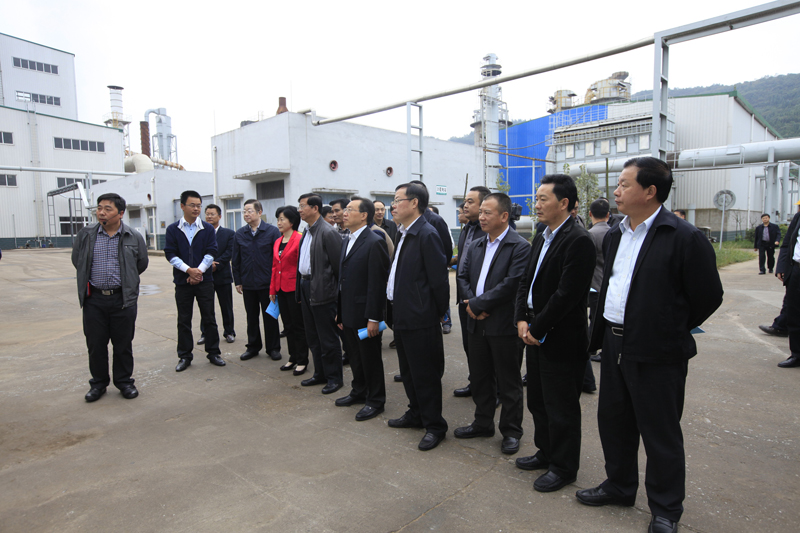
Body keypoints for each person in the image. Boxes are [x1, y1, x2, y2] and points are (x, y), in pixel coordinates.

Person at [575, 157, 723, 533]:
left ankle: (666, 510)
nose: (616, 191)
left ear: (650, 191)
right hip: (613, 343)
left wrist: (667, 327)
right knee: (614, 422)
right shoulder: (616, 233)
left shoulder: (683, 236)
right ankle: (620, 485)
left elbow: (708, 296)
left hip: (658, 351)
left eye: (624, 184)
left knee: (660, 433)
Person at [514, 174, 596, 493]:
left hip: (560, 337)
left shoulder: (578, 240)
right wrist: (521, 319)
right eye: (536, 198)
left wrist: (537, 327)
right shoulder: (542, 235)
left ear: (564, 203)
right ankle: (546, 452)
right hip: (534, 331)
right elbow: (526, 280)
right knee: (538, 400)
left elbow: (567, 295)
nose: (536, 204)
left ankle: (563, 467)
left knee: (561, 406)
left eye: (542, 199)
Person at [455, 192, 529, 455]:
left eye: (487, 213)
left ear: (504, 216)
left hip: (503, 325)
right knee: (480, 377)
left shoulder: (520, 246)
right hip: (476, 323)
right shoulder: (476, 244)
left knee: (508, 381)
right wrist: (473, 304)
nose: (482, 217)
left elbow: (512, 284)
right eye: (481, 212)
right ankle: (482, 423)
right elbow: (462, 276)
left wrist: (479, 305)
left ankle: (511, 431)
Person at [387, 183, 450, 451]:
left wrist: (432, 314)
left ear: (414, 203)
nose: (393, 205)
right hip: (402, 315)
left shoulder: (427, 234)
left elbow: (439, 282)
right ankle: (416, 413)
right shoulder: (403, 232)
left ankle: (435, 425)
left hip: (420, 318)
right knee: (409, 372)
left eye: (397, 200)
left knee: (425, 375)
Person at [72, 193, 148, 401]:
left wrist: (126, 281)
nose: (101, 213)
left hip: (122, 299)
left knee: (123, 344)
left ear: (120, 213)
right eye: (99, 208)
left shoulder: (133, 236)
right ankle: (98, 384)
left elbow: (141, 263)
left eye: (107, 209)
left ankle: (124, 382)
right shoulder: (86, 235)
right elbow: (77, 260)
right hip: (94, 299)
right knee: (96, 344)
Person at [334, 197, 390, 420]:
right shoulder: (347, 239)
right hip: (348, 311)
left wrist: (374, 318)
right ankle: (359, 391)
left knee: (370, 358)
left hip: (366, 313)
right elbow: (343, 280)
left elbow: (377, 283)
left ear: (364, 215)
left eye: (350, 210)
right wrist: (340, 311)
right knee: (355, 356)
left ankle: (375, 400)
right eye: (345, 209)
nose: (344, 213)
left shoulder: (374, 241)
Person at [165, 190, 225, 372]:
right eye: (192, 205)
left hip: (204, 281)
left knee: (209, 317)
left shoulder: (207, 229)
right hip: (182, 282)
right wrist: (188, 270)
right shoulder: (173, 229)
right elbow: (170, 254)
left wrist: (198, 272)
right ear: (182, 206)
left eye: (199, 205)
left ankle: (213, 353)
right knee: (184, 320)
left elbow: (211, 251)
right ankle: (184, 356)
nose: (196, 209)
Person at [296, 193, 345, 394]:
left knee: (327, 338)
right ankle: (320, 373)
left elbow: (339, 269)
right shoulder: (307, 231)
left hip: (324, 291)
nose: (299, 210)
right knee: (313, 336)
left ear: (315, 208)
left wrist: (337, 297)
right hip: (306, 286)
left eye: (303, 206)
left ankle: (334, 378)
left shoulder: (327, 232)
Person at [232, 199, 282, 362]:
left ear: (259, 212)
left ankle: (273, 348)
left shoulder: (272, 232)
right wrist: (238, 280)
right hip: (248, 283)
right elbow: (236, 259)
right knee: (251, 317)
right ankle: (253, 347)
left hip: (267, 284)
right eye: (244, 211)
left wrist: (276, 283)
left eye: (249, 211)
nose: (246, 214)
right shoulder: (240, 234)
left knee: (270, 317)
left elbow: (278, 260)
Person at [453, 186, 489, 398]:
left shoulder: (489, 231)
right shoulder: (466, 228)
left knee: (486, 349)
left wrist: (478, 301)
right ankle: (475, 382)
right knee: (470, 346)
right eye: (465, 201)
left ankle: (493, 389)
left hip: (482, 301)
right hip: (464, 298)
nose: (465, 205)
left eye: (470, 202)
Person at [270, 206, 309, 375]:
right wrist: (272, 289)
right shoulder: (278, 241)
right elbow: (274, 266)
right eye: (278, 219)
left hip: (294, 288)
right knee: (287, 326)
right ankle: (293, 357)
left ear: (292, 221)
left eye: (282, 219)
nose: (279, 223)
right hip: (280, 288)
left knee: (298, 325)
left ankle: (302, 360)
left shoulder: (299, 239)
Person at [200, 204, 235, 344]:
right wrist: (207, 265)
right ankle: (206, 333)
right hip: (205, 276)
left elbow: (229, 252)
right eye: (207, 214)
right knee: (206, 306)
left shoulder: (229, 233)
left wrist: (217, 264)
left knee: (226, 306)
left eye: (212, 214)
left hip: (222, 275)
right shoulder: (200, 233)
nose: (209, 216)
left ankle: (229, 332)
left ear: (219, 216)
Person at [585, 199, 611, 370]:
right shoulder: (615, 232)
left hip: (594, 284)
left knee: (594, 318)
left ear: (590, 214)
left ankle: (591, 347)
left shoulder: (590, 235)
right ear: (608, 214)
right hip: (608, 284)